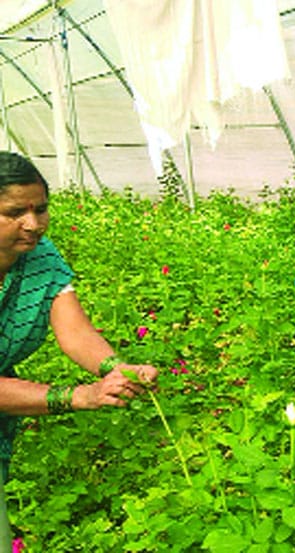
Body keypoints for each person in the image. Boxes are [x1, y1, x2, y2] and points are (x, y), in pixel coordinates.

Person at [0, 152, 159, 549]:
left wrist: (117, 369)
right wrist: (80, 396)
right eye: (15, 211)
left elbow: (74, 331)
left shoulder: (40, 257)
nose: (33, 224)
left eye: (41, 209)